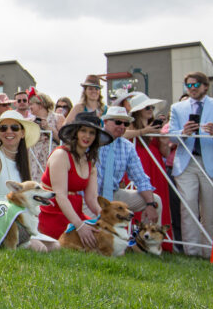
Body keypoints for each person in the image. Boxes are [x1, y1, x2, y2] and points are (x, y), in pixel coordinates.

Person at [168, 72, 213, 257]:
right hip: (187, 162)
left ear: (205, 86)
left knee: (210, 211)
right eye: (188, 85)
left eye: (195, 85)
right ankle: (192, 253)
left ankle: (210, 253)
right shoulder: (178, 108)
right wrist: (183, 132)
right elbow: (170, 135)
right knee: (188, 207)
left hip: (210, 162)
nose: (192, 89)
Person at [38, 112, 112, 244]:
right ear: (75, 133)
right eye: (83, 131)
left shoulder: (91, 162)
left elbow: (91, 199)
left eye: (92, 133)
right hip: (53, 212)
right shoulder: (61, 155)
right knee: (87, 240)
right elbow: (60, 196)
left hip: (76, 213)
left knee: (102, 236)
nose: (87, 136)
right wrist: (80, 225)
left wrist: (105, 217)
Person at [95, 106, 162, 224]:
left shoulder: (127, 146)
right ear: (105, 122)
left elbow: (140, 178)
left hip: (114, 194)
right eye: (118, 122)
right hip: (91, 195)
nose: (122, 126)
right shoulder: (93, 139)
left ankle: (147, 240)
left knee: (156, 200)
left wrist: (150, 204)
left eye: (126, 124)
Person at [126, 92, 172, 249]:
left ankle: (159, 241)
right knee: (139, 200)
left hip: (156, 166)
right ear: (138, 110)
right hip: (139, 166)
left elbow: (165, 152)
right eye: (146, 107)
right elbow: (123, 135)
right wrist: (143, 132)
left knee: (159, 200)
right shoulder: (131, 124)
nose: (150, 109)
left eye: (151, 107)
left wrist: (164, 139)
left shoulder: (155, 126)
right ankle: (137, 241)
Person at [0, 110, 38, 201]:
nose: (9, 131)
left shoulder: (25, 158)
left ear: (22, 133)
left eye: (14, 127)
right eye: (3, 128)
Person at [28, 91, 65, 181]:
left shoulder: (58, 118)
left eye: (32, 104)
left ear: (40, 105)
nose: (30, 107)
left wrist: (48, 127)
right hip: (35, 159)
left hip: (52, 155)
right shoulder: (29, 121)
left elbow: (62, 139)